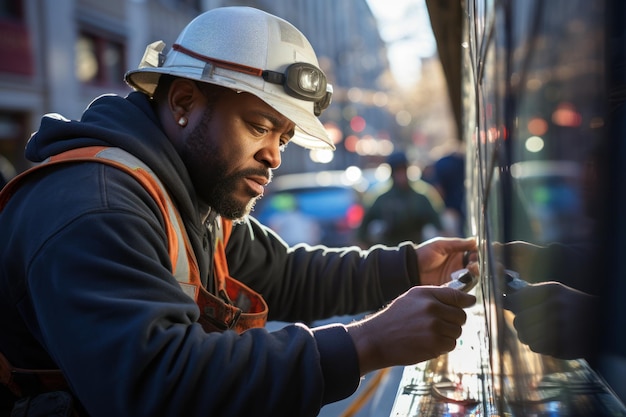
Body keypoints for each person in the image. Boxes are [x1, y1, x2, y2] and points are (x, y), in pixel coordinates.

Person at [0, 7, 476, 417]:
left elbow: (288, 276)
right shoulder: (96, 207)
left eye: (284, 138)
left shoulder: (192, 197)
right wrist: (367, 343)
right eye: (259, 127)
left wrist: (414, 266)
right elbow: (160, 386)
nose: (274, 156)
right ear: (184, 101)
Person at [357, 151, 444, 247]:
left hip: (416, 251)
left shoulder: (422, 196)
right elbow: (362, 231)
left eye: (403, 170)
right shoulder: (380, 198)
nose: (400, 175)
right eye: (397, 171)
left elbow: (440, 225)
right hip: (388, 252)